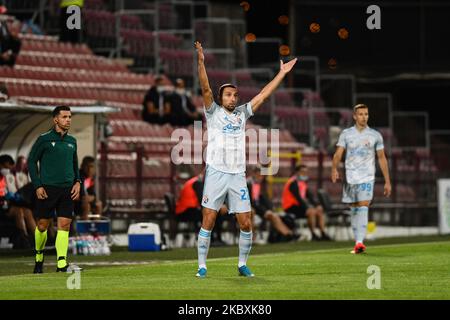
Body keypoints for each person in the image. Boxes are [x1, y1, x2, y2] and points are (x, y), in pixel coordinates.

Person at [194, 40, 297, 278]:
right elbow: (206, 88)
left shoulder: (242, 113)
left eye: (235, 95)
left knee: (246, 223)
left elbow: (263, 95)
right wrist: (200, 61)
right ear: (221, 99)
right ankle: (202, 265)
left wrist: (281, 74)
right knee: (209, 219)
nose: (233, 98)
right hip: (216, 172)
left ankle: (242, 264)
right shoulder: (213, 112)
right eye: (228, 95)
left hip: (238, 175)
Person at [28, 106, 82, 273]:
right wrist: (37, 185)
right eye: (65, 116)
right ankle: (39, 257)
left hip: (67, 189)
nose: (68, 120)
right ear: (55, 119)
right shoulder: (43, 139)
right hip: (47, 190)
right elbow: (31, 162)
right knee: (43, 225)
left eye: (70, 117)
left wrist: (78, 181)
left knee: (64, 225)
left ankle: (61, 263)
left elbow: (74, 164)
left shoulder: (72, 141)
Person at [331, 103, 391, 254]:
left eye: (366, 114)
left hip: (367, 176)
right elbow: (338, 154)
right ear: (354, 116)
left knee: (364, 206)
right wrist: (334, 169)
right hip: (350, 177)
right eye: (361, 114)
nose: (364, 117)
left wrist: (387, 181)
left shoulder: (375, 135)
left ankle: (359, 242)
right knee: (354, 209)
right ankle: (357, 241)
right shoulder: (346, 134)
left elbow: (382, 158)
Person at [247, 166, 298, 243]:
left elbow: (262, 199)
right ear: (254, 173)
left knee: (274, 215)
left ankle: (288, 234)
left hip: (258, 208)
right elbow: (251, 201)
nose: (261, 177)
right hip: (250, 208)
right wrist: (265, 211)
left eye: (262, 175)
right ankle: (251, 238)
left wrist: (270, 209)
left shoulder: (258, 184)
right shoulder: (249, 183)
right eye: (259, 174)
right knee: (269, 215)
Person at [175, 171, 227, 245]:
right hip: (185, 211)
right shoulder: (198, 183)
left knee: (214, 212)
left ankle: (216, 239)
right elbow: (203, 201)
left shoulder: (199, 181)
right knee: (212, 213)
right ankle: (212, 240)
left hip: (189, 210)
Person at [282, 164, 331, 241]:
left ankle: (322, 233)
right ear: (297, 172)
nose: (304, 174)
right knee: (311, 211)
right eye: (302, 172)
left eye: (305, 172)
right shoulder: (292, 182)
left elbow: (309, 196)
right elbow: (298, 198)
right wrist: (308, 208)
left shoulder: (302, 183)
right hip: (290, 207)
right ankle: (313, 234)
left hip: (298, 206)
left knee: (319, 210)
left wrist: (317, 205)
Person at [0, 154, 36, 248]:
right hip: (2, 207)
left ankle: (38, 239)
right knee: (19, 212)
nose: (7, 170)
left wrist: (8, 197)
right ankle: (25, 240)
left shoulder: (3, 178)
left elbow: (4, 192)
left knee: (27, 211)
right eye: (5, 167)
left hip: (6, 205)